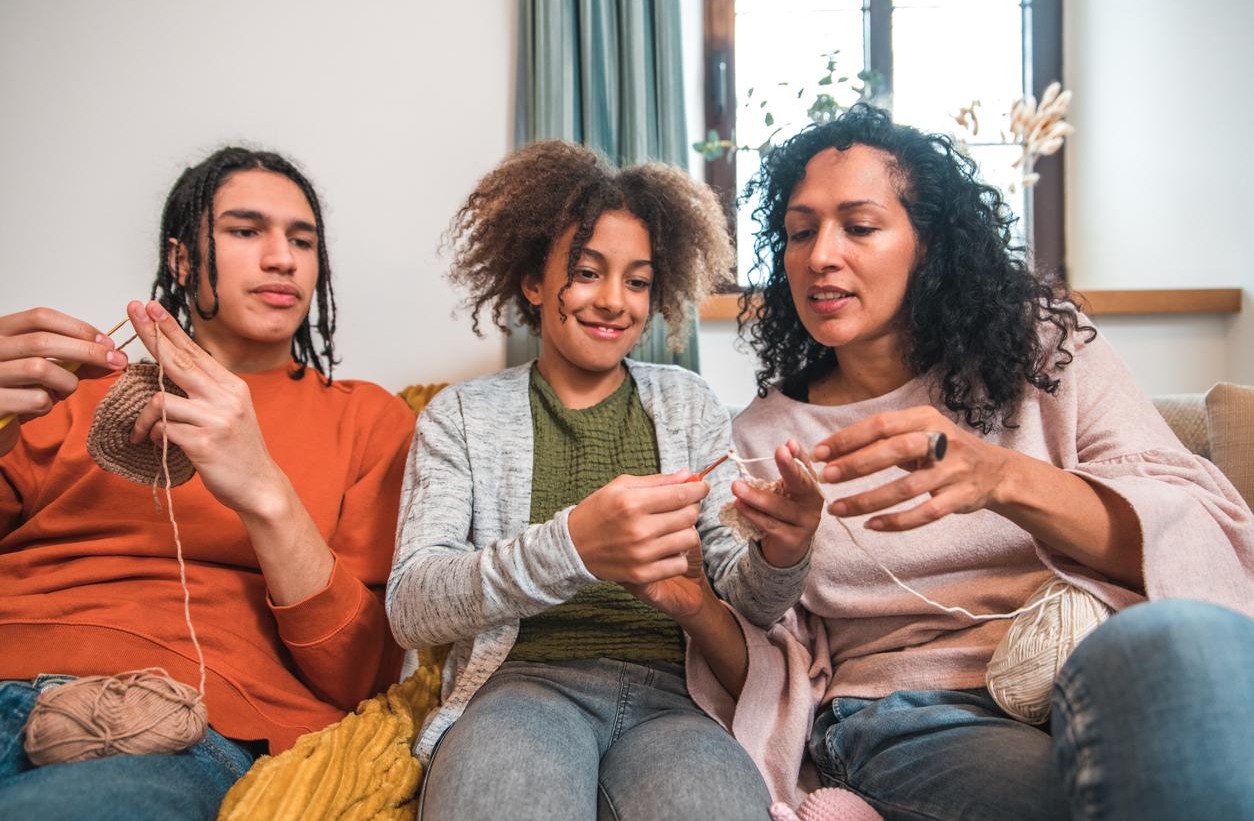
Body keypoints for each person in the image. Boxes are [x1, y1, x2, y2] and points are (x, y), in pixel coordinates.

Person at [679, 104, 1254, 820]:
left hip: (1096, 663)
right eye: (800, 232)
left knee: (1186, 640)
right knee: (1063, 796)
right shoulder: (765, 439)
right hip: (908, 714)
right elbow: (771, 648)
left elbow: (1197, 536)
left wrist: (1002, 478)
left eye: (858, 226)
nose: (820, 254)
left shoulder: (1049, 358)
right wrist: (775, 555)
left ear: (932, 245)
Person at [386, 140, 824, 820]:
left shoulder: (688, 404)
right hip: (522, 693)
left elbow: (750, 603)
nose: (615, 302)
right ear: (534, 282)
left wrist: (782, 553)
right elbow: (412, 607)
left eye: (639, 281)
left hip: (677, 705)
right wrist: (573, 548)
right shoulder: (463, 417)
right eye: (588, 272)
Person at [0, 147, 415, 819]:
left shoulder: (368, 419)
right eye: (247, 231)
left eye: (302, 240)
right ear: (182, 260)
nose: (282, 258)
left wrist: (264, 490)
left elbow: (360, 676)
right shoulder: (65, 395)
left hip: (173, 730)